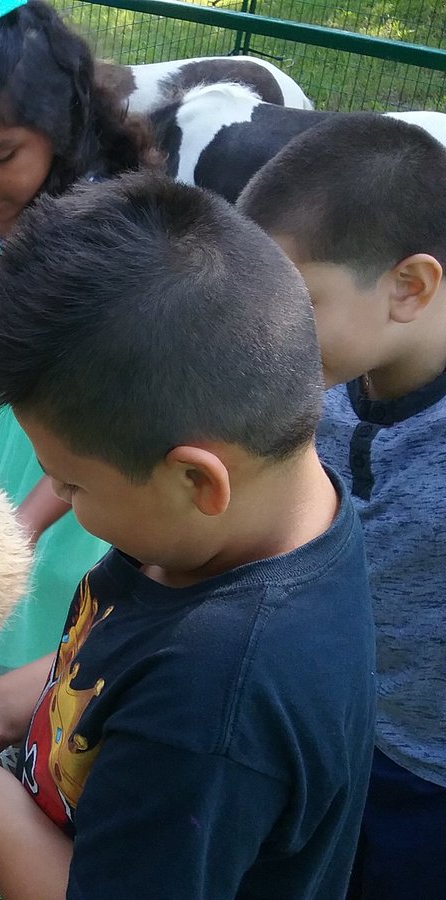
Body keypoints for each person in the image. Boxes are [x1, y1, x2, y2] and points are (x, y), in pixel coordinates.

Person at [0, 172, 376, 900]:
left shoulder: (210, 711)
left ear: (196, 481)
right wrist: (12, 701)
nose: (64, 503)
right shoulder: (265, 513)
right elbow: (119, 645)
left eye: (70, 487)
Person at [0, 0, 159, 679]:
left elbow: (112, 410)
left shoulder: (105, 232)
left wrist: (24, 523)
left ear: (59, 127)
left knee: (42, 599)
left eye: (0, 156)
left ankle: (28, 744)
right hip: (5, 442)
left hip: (75, 475)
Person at [237, 114, 446, 900]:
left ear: (410, 286)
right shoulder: (328, 390)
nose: (268, 339)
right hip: (322, 727)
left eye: (298, 305)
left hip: (428, 776)